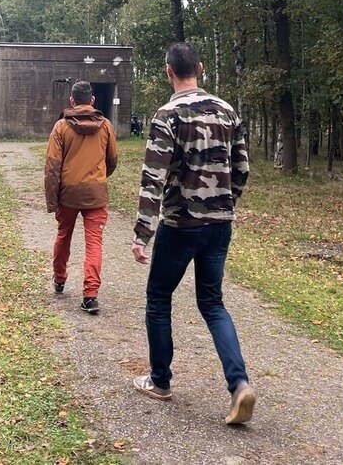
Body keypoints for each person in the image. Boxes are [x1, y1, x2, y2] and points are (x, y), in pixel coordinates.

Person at [130, 41, 255, 425]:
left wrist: (141, 234)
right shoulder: (227, 111)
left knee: (158, 297)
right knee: (213, 304)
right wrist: (224, 203)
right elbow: (242, 169)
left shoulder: (167, 115)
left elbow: (154, 178)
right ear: (199, 68)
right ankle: (239, 385)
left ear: (169, 71)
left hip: (180, 224)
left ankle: (160, 381)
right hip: (219, 225)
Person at [45, 80, 118, 315]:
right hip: (95, 193)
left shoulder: (60, 127)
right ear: (92, 101)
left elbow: (52, 167)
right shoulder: (106, 125)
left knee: (63, 236)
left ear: (72, 101)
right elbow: (112, 159)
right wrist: (98, 176)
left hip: (68, 193)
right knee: (94, 244)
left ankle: (59, 279)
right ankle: (90, 295)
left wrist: (52, 199)